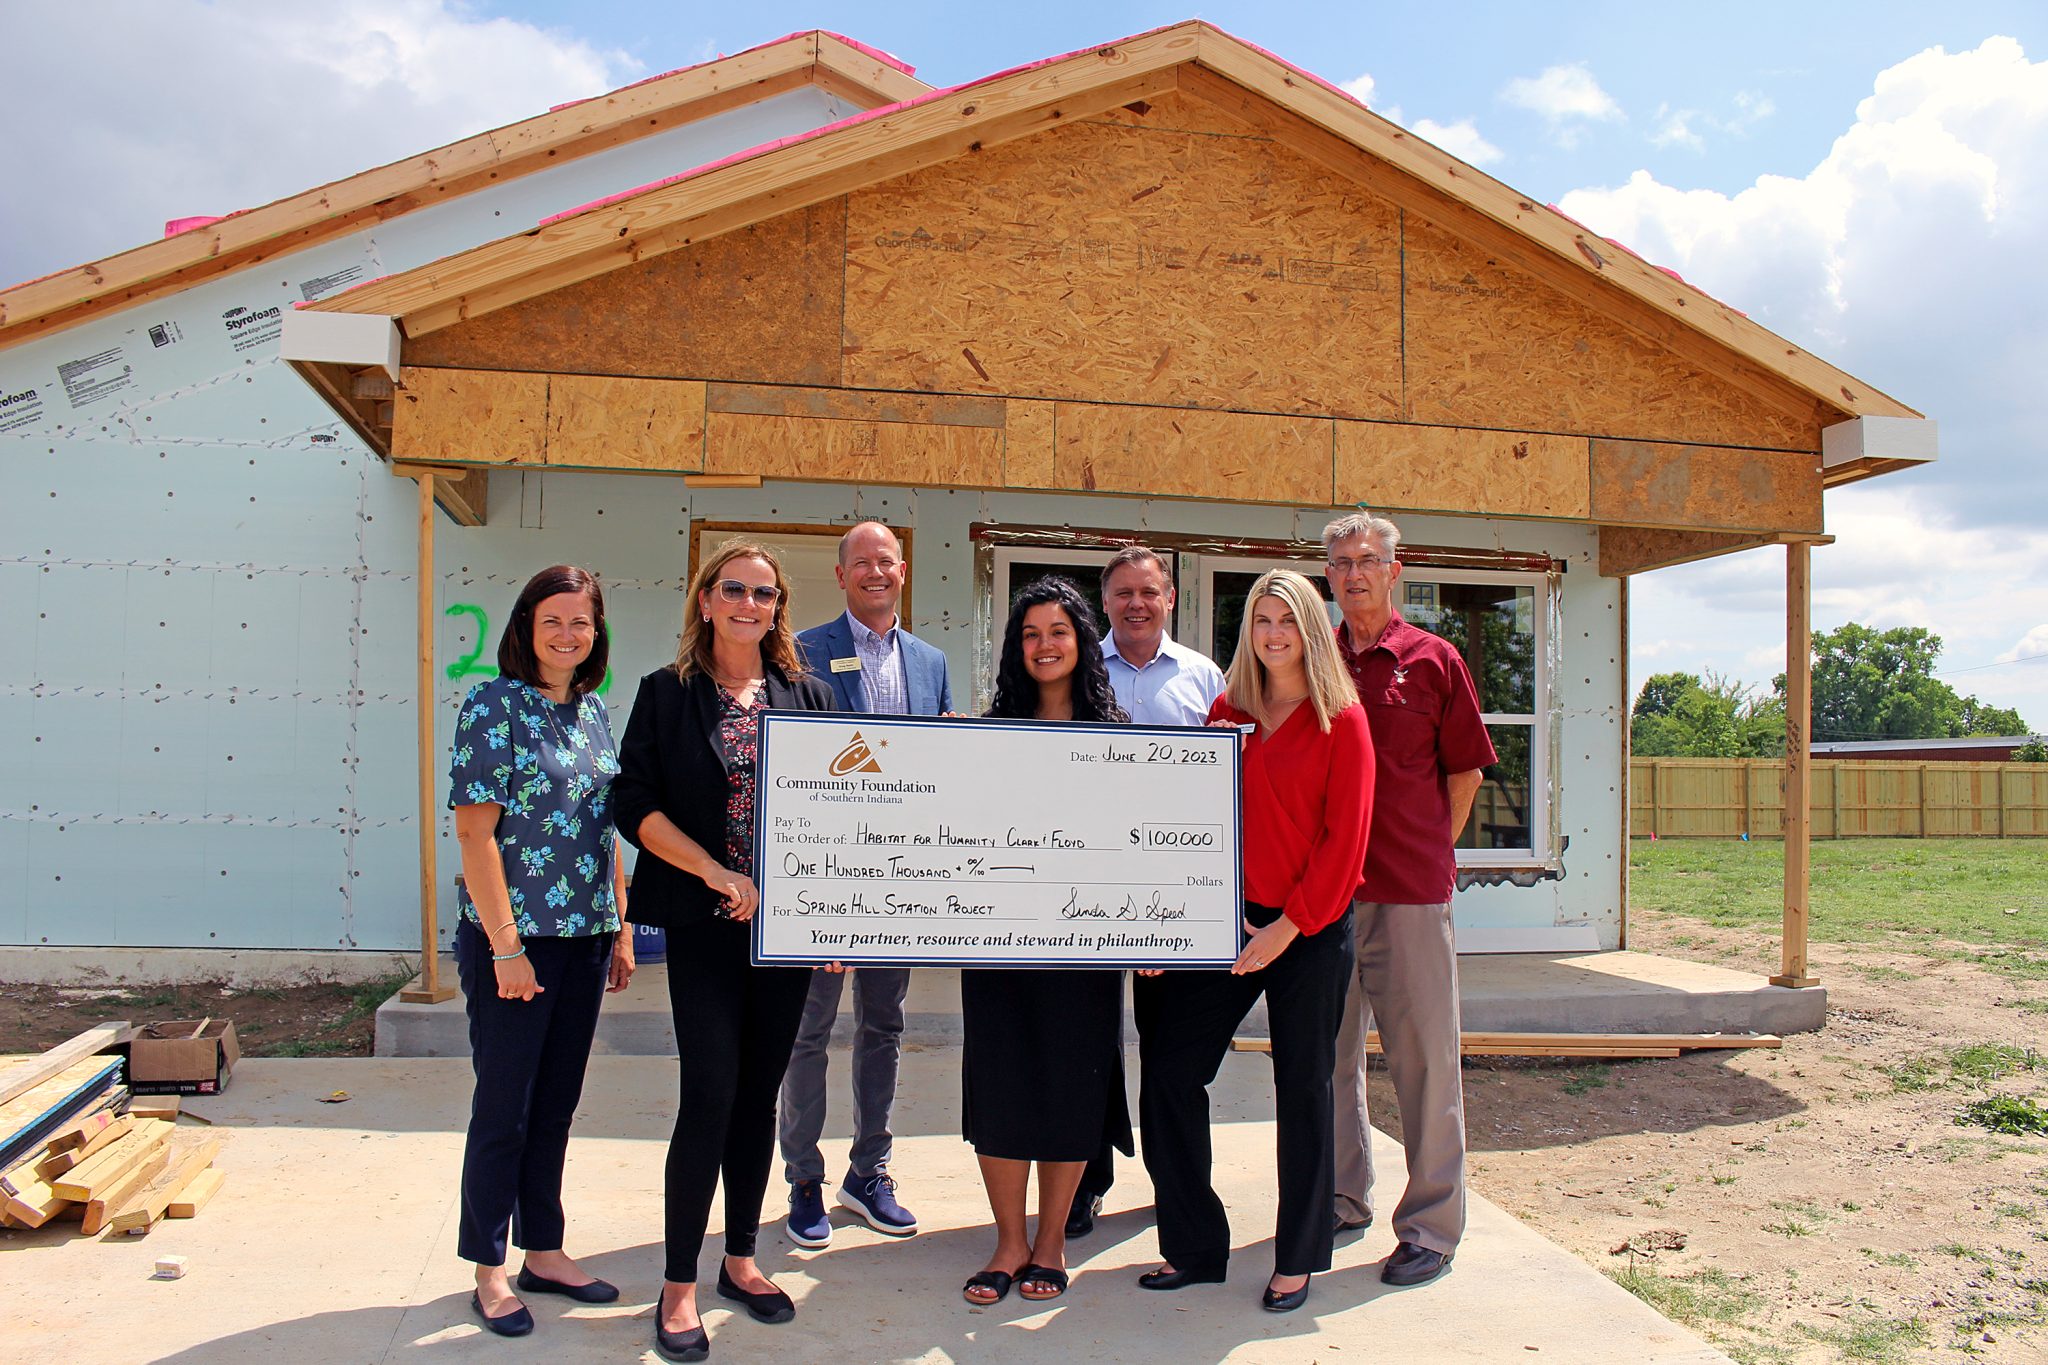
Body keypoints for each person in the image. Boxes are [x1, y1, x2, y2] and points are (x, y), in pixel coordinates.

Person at [612, 538, 837, 1363]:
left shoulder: (807, 694)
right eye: (734, 589)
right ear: (705, 600)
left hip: (783, 939)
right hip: (704, 926)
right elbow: (630, 800)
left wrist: (838, 917)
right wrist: (711, 869)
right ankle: (677, 1284)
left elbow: (841, 812)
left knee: (757, 1096)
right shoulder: (666, 696)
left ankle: (741, 1259)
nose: (750, 603)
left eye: (765, 593)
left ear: (780, 607)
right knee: (708, 1092)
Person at [1133, 568, 1372, 1314]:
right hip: (1229, 921)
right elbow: (1199, 822)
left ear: (1310, 630)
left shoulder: (1344, 719)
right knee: (1170, 1071)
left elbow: (1345, 842)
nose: (1273, 634)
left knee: (1302, 1087)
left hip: (1310, 927)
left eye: (1288, 621)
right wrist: (1164, 922)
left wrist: (1289, 927)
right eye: (1262, 620)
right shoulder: (1227, 708)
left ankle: (1298, 1256)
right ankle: (1195, 1246)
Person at [447, 564, 635, 1339]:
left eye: (581, 622)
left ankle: (545, 1250)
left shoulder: (592, 714)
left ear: (597, 634)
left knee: (554, 1104)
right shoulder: (494, 704)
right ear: (526, 624)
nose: (567, 634)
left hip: (584, 939)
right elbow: (474, 834)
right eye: (552, 619)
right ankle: (490, 1268)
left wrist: (620, 925)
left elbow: (603, 832)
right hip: (515, 945)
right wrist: (504, 947)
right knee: (505, 1105)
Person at [1323, 511, 1496, 1290]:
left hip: (1409, 894)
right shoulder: (1310, 657)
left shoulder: (1433, 660)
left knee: (1424, 1062)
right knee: (1326, 1058)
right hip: (1321, 900)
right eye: (1340, 563)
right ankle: (1338, 1195)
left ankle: (1430, 1224)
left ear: (1397, 571)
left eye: (1367, 561)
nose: (1353, 573)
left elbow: (1465, 772)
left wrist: (1429, 853)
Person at [958, 576, 1135, 1307]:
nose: (1043, 645)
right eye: (1030, 634)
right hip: (998, 944)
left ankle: (1052, 1238)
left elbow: (1139, 846)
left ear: (1082, 641)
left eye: (1058, 631)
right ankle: (1007, 1240)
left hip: (1083, 953)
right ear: (1014, 648)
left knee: (1071, 1085)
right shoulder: (985, 734)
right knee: (1000, 1085)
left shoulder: (1121, 738)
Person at [780, 521, 952, 1247]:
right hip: (825, 878)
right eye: (862, 563)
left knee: (885, 1025)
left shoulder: (931, 660)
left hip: (898, 882)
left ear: (903, 571)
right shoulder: (803, 651)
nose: (875, 573)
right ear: (842, 572)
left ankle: (868, 1172)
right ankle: (804, 1180)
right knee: (809, 1032)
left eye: (886, 562)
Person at [1067, 546, 1226, 1238]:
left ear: (1169, 599)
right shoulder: (1076, 667)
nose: (1137, 602)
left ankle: (1175, 1181)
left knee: (1168, 1051)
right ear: (1105, 601)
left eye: (1149, 591)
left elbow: (1225, 791)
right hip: (1080, 887)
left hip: (1173, 897)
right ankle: (1085, 1181)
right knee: (1087, 1045)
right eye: (1124, 592)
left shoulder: (1203, 677)